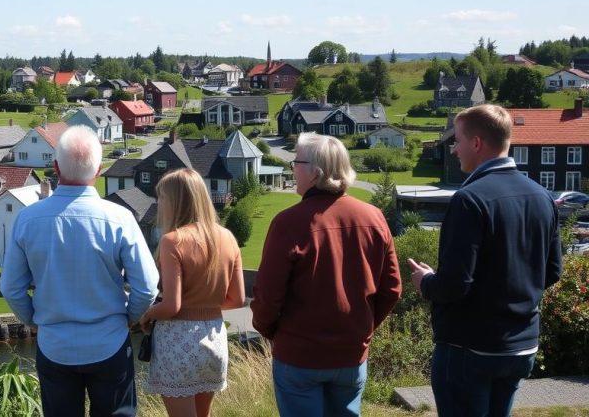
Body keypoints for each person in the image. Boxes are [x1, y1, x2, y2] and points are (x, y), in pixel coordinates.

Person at [408, 104, 562, 417]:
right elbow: (552, 271)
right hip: (521, 345)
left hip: (471, 347)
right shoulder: (541, 195)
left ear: (477, 144)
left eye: (458, 141)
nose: (454, 150)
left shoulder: (470, 199)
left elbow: (454, 286)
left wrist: (426, 283)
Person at [0, 125, 159, 417]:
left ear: (56, 167)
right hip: (109, 342)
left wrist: (34, 320)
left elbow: (10, 287)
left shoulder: (27, 219)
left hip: (54, 346)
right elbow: (147, 286)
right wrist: (128, 319)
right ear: (98, 170)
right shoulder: (120, 218)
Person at [251, 132, 401, 416]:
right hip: (351, 353)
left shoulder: (289, 222)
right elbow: (391, 289)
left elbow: (267, 296)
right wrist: (362, 329)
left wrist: (272, 332)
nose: (291, 168)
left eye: (296, 161)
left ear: (315, 172)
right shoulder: (374, 218)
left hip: (299, 355)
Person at [138, 168, 246, 417]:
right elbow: (237, 298)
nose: (158, 202)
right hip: (214, 338)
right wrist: (206, 305)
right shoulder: (228, 237)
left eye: (161, 197)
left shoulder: (173, 241)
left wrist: (146, 315)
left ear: (176, 201)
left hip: (178, 343)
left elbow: (172, 306)